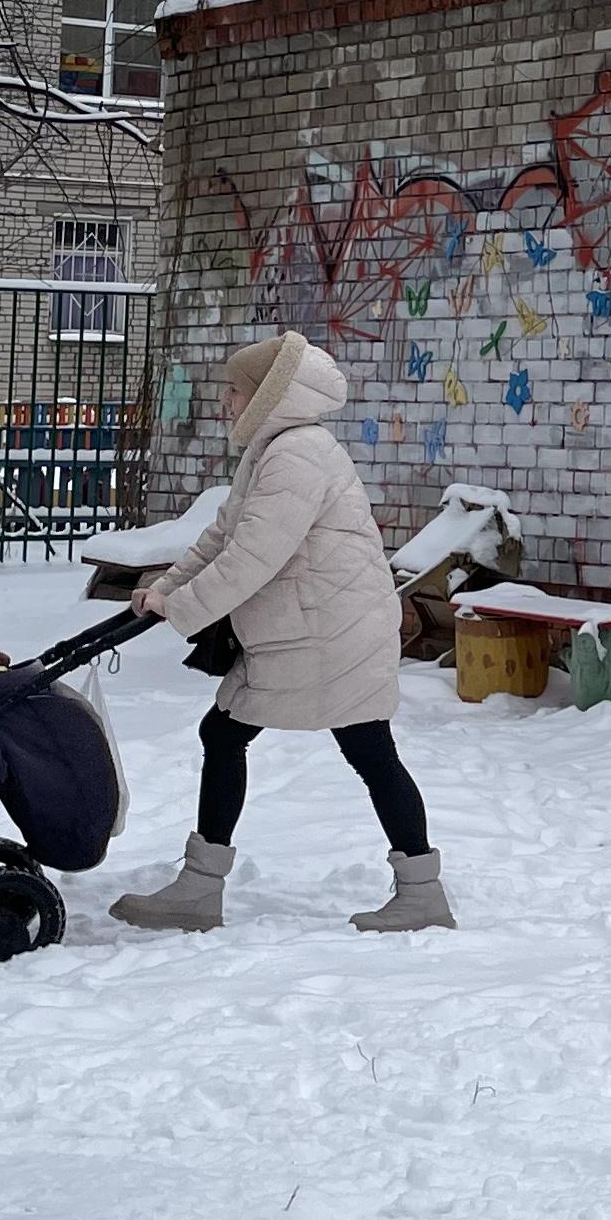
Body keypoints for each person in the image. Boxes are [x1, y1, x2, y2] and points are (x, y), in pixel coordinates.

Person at [110, 331, 454, 934]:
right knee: (335, 746)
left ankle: (203, 890)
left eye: (234, 391)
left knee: (334, 745)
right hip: (317, 624)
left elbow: (255, 556)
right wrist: (166, 586)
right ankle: (418, 890)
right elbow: (222, 536)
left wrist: (182, 608)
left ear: (268, 395)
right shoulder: (276, 450)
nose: (225, 403)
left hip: (330, 630)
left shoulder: (297, 454)